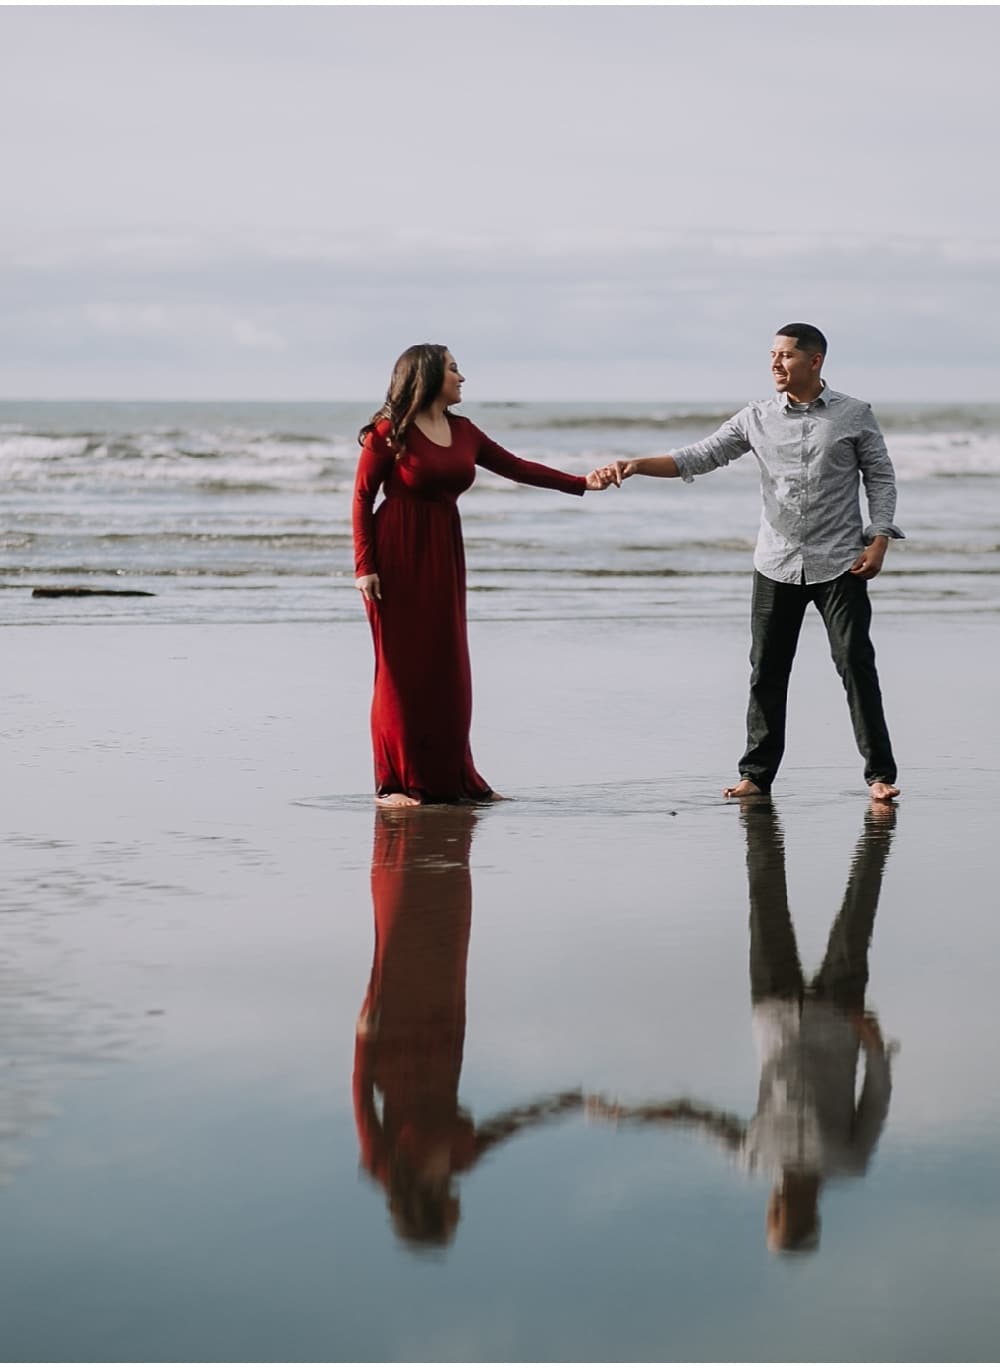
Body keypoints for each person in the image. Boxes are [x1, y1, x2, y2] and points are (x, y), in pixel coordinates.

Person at [593, 325, 902, 802]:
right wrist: (636, 464)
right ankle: (756, 776)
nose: (776, 364)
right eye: (772, 356)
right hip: (777, 562)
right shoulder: (755, 417)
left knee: (855, 664)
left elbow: (880, 477)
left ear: (815, 361)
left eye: (786, 356)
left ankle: (879, 775)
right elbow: (699, 456)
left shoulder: (854, 414)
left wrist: (879, 539)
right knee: (767, 671)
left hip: (841, 560)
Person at [585, 801, 897, 1254]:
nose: (774, 1206)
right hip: (836, 1016)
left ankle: (761, 819)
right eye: (778, 1217)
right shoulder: (847, 1162)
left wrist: (634, 1115)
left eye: (774, 1216)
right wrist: (872, 1041)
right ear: (796, 1215)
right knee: (859, 904)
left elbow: (694, 1116)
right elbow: (879, 1094)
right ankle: (874, 832)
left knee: (764, 897)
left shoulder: (755, 1158)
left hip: (772, 1006)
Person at [353, 344, 615, 805]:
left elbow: (517, 467)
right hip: (395, 555)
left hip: (443, 550)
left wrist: (580, 483)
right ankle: (394, 783)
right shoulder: (387, 433)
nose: (462, 377)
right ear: (430, 376)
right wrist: (365, 566)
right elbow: (362, 499)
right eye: (454, 369)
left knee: (447, 666)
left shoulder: (464, 431)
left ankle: (453, 777)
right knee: (399, 670)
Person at [353, 806, 583, 1248]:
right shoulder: (460, 1160)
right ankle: (414, 841)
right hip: (444, 1024)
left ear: (431, 1211)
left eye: (451, 1218)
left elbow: (362, 1098)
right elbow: (511, 1127)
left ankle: (400, 842)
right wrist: (563, 1104)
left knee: (406, 930)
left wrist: (364, 1035)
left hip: (395, 1036)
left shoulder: (383, 1163)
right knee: (439, 923)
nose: (460, 1211)